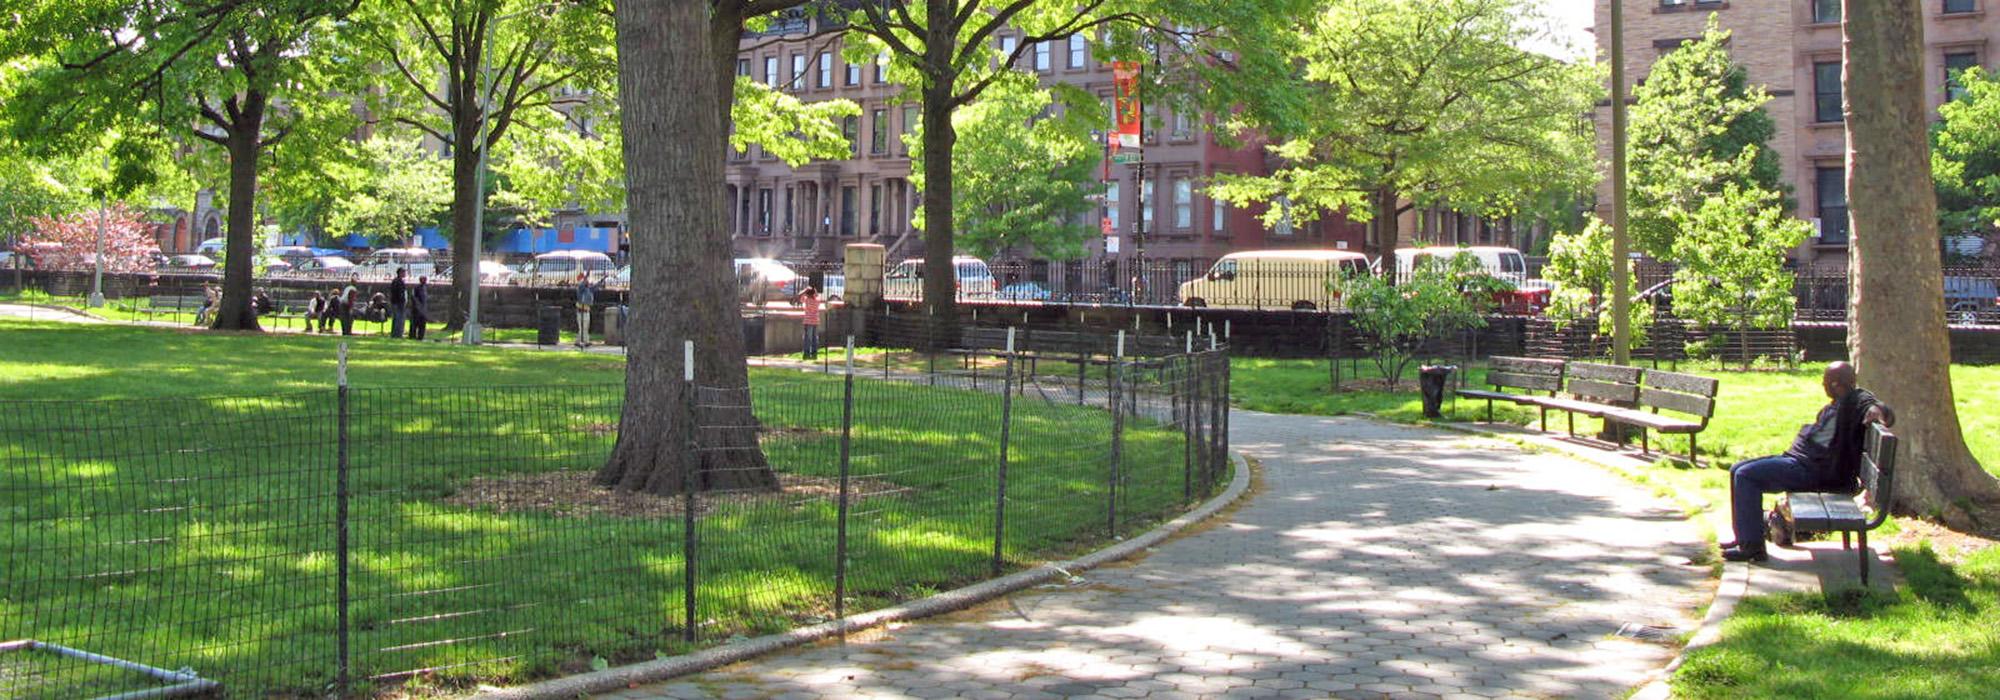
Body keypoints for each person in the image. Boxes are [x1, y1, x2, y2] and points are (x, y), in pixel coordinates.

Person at [1721, 362, 1895, 562]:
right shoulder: (1840, 402)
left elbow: (1874, 406)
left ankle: (1752, 549)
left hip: (1814, 471)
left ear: (1836, 384)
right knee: (1737, 469)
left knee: (1746, 476)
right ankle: (1744, 539)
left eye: (1825, 382)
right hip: (1802, 462)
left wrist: (1879, 410)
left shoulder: (1854, 400)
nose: (1823, 386)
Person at [574, 271, 599, 347]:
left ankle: (578, 341)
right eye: (586, 281)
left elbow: (596, 286)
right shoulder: (581, 289)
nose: (588, 282)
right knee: (582, 327)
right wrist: (588, 273)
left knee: (585, 327)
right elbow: (583, 282)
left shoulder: (589, 289)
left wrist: (604, 278)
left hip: (587, 311)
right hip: (581, 311)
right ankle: (586, 341)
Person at [796, 286, 822, 360]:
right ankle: (814, 353)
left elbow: (799, 296)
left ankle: (806, 353)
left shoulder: (807, 300)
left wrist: (805, 290)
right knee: (814, 338)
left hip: (808, 321)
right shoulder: (817, 301)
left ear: (807, 294)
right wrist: (815, 291)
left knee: (807, 338)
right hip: (816, 321)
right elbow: (817, 296)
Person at [387, 267, 408, 339]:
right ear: (400, 273)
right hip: (398, 303)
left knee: (396, 318)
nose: (405, 274)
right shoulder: (398, 282)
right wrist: (402, 301)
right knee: (399, 319)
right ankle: (398, 334)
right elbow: (399, 293)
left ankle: (394, 334)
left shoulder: (397, 281)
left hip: (396, 302)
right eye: (403, 272)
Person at [409, 275, 430, 340]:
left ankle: (420, 336)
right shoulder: (417, 288)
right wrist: (418, 306)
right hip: (417, 309)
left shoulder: (424, 288)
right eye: (424, 280)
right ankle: (412, 336)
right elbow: (414, 298)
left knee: (422, 324)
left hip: (423, 309)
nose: (425, 281)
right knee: (414, 323)